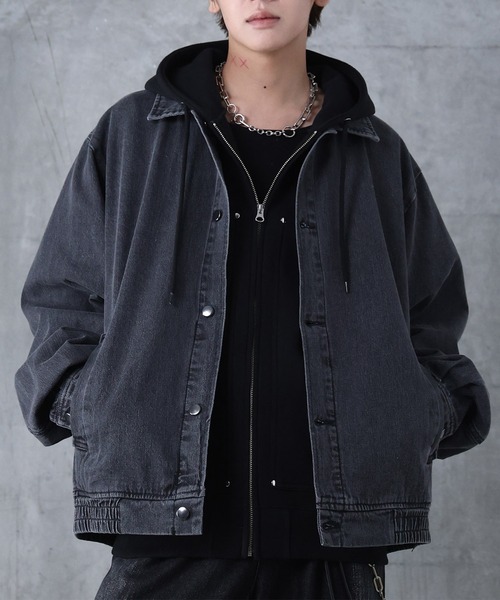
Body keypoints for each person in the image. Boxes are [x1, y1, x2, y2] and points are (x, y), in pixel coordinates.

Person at [15, 1, 491, 598]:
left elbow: (431, 319)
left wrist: (421, 413)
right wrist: (94, 404)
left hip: (334, 544)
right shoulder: (134, 134)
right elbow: (64, 298)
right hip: (165, 538)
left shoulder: (375, 153)